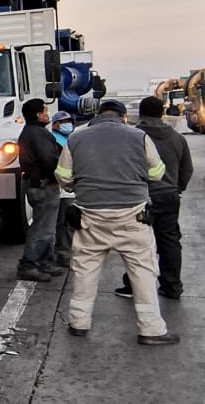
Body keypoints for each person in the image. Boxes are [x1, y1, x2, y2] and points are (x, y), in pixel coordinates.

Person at [55, 99, 179, 345]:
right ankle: (151, 329)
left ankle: (78, 323)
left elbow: (63, 177)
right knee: (142, 271)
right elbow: (156, 173)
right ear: (123, 116)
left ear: (97, 115)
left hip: (91, 216)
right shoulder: (138, 136)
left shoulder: (76, 139)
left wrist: (80, 183)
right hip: (132, 216)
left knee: (85, 270)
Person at [115, 96, 194, 300]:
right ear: (162, 113)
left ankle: (134, 285)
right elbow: (187, 169)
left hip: (140, 197)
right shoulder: (178, 138)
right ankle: (172, 286)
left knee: (136, 243)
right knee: (170, 242)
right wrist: (177, 188)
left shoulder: (133, 137)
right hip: (169, 196)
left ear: (140, 113)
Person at [15, 99, 65, 282]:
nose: (48, 114)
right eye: (45, 110)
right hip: (44, 184)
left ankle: (45, 262)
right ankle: (29, 264)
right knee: (42, 228)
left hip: (36, 183)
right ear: (38, 114)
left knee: (47, 227)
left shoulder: (30, 132)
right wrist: (59, 176)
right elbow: (49, 159)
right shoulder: (39, 133)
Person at [49, 111, 77, 267]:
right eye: (63, 121)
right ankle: (63, 254)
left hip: (68, 189)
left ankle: (65, 252)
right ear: (55, 125)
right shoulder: (55, 140)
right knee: (65, 224)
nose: (68, 124)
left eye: (69, 121)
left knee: (67, 223)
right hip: (63, 189)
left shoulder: (68, 139)